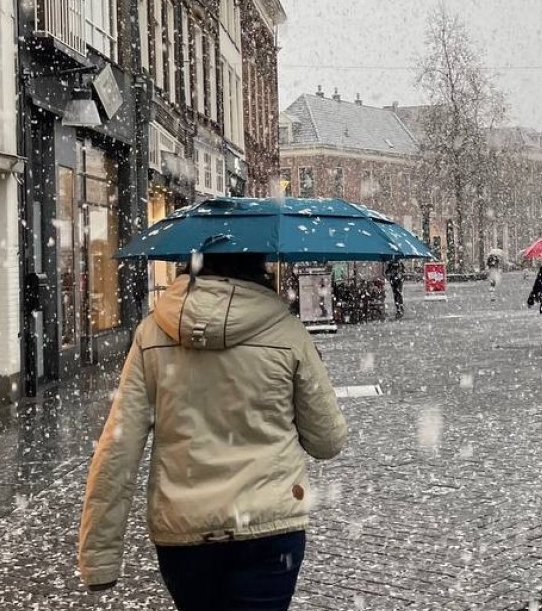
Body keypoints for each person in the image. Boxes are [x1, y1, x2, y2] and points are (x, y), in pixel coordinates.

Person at [78, 251, 348, 611]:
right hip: (269, 527)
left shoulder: (152, 333)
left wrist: (100, 556)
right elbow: (327, 441)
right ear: (258, 266)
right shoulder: (287, 331)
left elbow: (118, 448)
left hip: (185, 532)